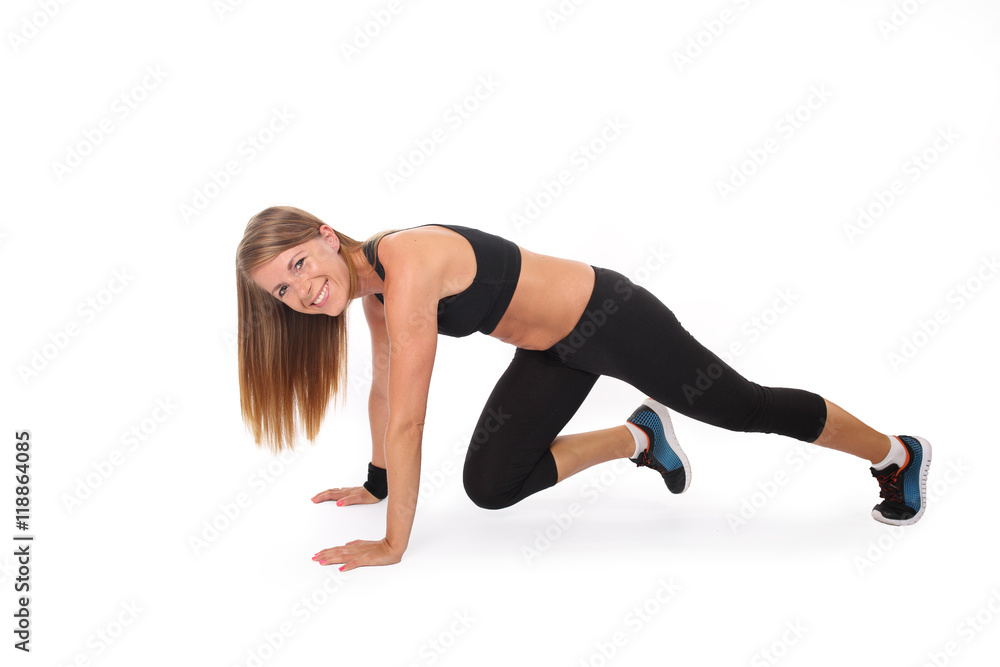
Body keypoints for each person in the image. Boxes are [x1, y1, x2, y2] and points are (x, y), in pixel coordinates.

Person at [235, 205, 932, 572]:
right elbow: (385, 393)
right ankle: (640, 436)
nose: (301, 289)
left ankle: (894, 453)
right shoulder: (376, 297)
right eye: (283, 290)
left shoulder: (407, 262)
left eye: (299, 262)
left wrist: (393, 543)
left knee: (744, 407)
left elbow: (412, 420)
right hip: (554, 350)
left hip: (616, 318)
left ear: (327, 235)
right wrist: (376, 482)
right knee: (492, 483)